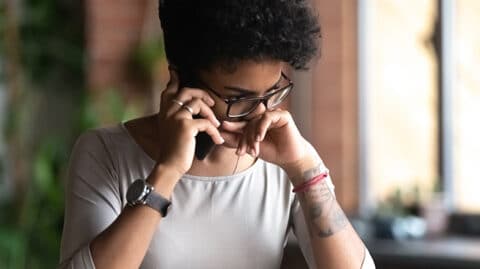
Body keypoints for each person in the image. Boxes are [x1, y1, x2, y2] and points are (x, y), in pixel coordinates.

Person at [59, 0, 375, 268]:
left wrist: (304, 168)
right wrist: (167, 172)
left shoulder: (285, 161)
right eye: (240, 99)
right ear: (180, 79)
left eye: (272, 92)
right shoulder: (105, 153)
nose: (260, 112)